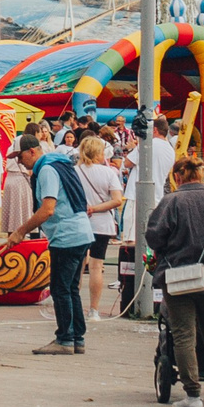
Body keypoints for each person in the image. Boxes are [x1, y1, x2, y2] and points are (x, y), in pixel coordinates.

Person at [147, 159, 204, 407]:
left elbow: (154, 237)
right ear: (201, 174)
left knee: (183, 335)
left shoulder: (171, 202)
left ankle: (193, 395)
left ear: (178, 176)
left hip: (178, 277)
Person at [14, 132, 93, 355]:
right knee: (70, 288)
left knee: (60, 289)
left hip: (66, 235)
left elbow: (48, 209)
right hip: (80, 231)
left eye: (20, 157)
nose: (20, 162)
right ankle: (77, 337)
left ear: (32, 151)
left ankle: (65, 339)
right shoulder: (60, 163)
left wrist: (21, 231)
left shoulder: (47, 169)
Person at [77, 135, 125, 319]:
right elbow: (117, 200)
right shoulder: (108, 172)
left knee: (77, 266)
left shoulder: (75, 171)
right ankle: (94, 310)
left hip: (79, 222)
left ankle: (73, 307)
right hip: (102, 223)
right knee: (96, 266)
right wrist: (96, 208)